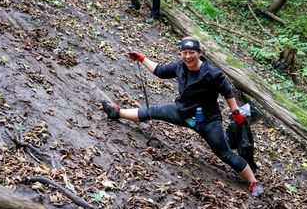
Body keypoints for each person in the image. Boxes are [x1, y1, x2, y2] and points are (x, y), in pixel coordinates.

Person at [101, 37, 264, 197]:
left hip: (207, 120)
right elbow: (160, 71)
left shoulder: (213, 74)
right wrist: (142, 58)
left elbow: (227, 91)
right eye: (184, 52)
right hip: (183, 112)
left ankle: (254, 182)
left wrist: (235, 112)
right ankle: (117, 112)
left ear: (199, 53)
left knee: (224, 153)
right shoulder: (180, 66)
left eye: (191, 52)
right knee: (151, 111)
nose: (187, 56)